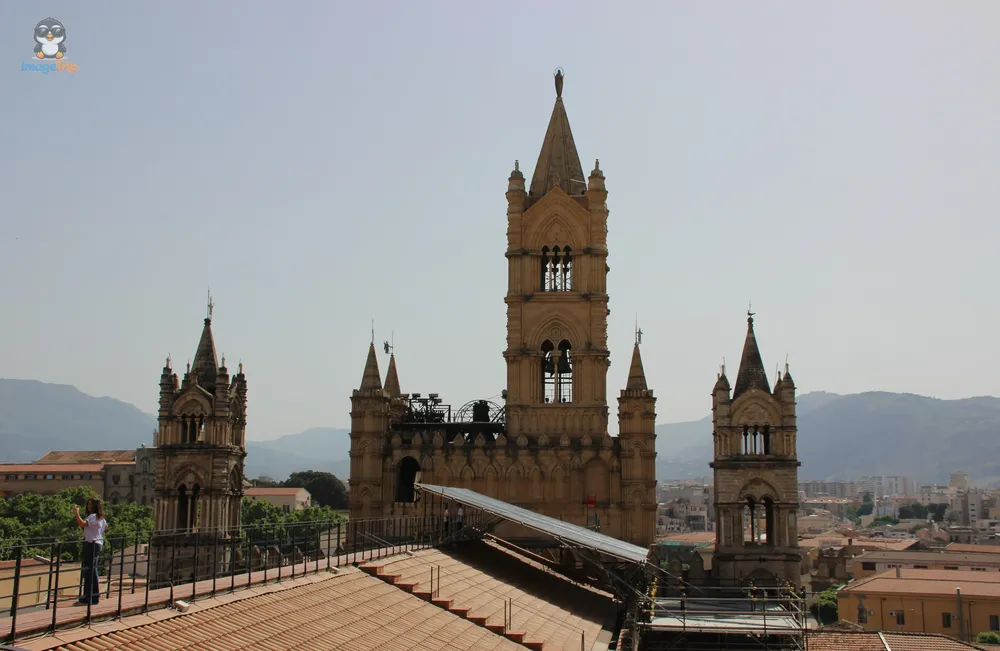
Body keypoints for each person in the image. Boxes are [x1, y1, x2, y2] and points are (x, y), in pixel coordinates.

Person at [73, 498, 108, 606]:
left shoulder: (93, 516)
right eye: (88, 504)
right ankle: (94, 597)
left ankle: (88, 598)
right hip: (97, 544)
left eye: (90, 505)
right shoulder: (101, 518)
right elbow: (106, 527)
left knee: (89, 572)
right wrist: (96, 532)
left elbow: (82, 524)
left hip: (91, 544)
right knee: (93, 571)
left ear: (95, 506)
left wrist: (76, 513)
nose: (88, 507)